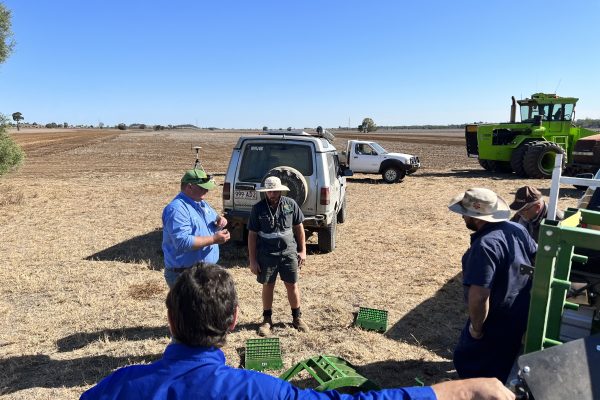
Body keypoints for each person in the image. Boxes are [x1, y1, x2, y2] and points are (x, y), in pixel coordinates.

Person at [81, 264, 515, 400]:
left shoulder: (112, 388)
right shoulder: (258, 391)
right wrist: (453, 392)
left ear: (170, 320)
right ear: (234, 322)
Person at [448, 187, 537, 384]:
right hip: (519, 314)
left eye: (465, 213)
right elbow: (537, 259)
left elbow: (479, 297)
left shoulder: (485, 246)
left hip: (495, 321)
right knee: (502, 366)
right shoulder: (518, 229)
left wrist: (476, 328)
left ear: (476, 217)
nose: (463, 217)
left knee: (470, 364)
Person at [248, 176, 308, 335]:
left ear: (281, 190)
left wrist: (303, 250)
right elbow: (252, 235)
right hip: (267, 254)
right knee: (268, 285)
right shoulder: (258, 209)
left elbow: (299, 228)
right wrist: (253, 260)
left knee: (292, 284)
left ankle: (297, 318)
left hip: (288, 252)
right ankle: (267, 320)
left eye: (275, 190)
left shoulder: (291, 204)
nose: (272, 194)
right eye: (269, 191)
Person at [161, 169, 230, 288]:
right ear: (189, 187)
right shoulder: (177, 209)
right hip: (185, 276)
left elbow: (214, 217)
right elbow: (182, 242)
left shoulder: (200, 202)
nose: (206, 190)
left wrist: (220, 219)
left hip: (203, 272)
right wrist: (214, 239)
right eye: (202, 188)